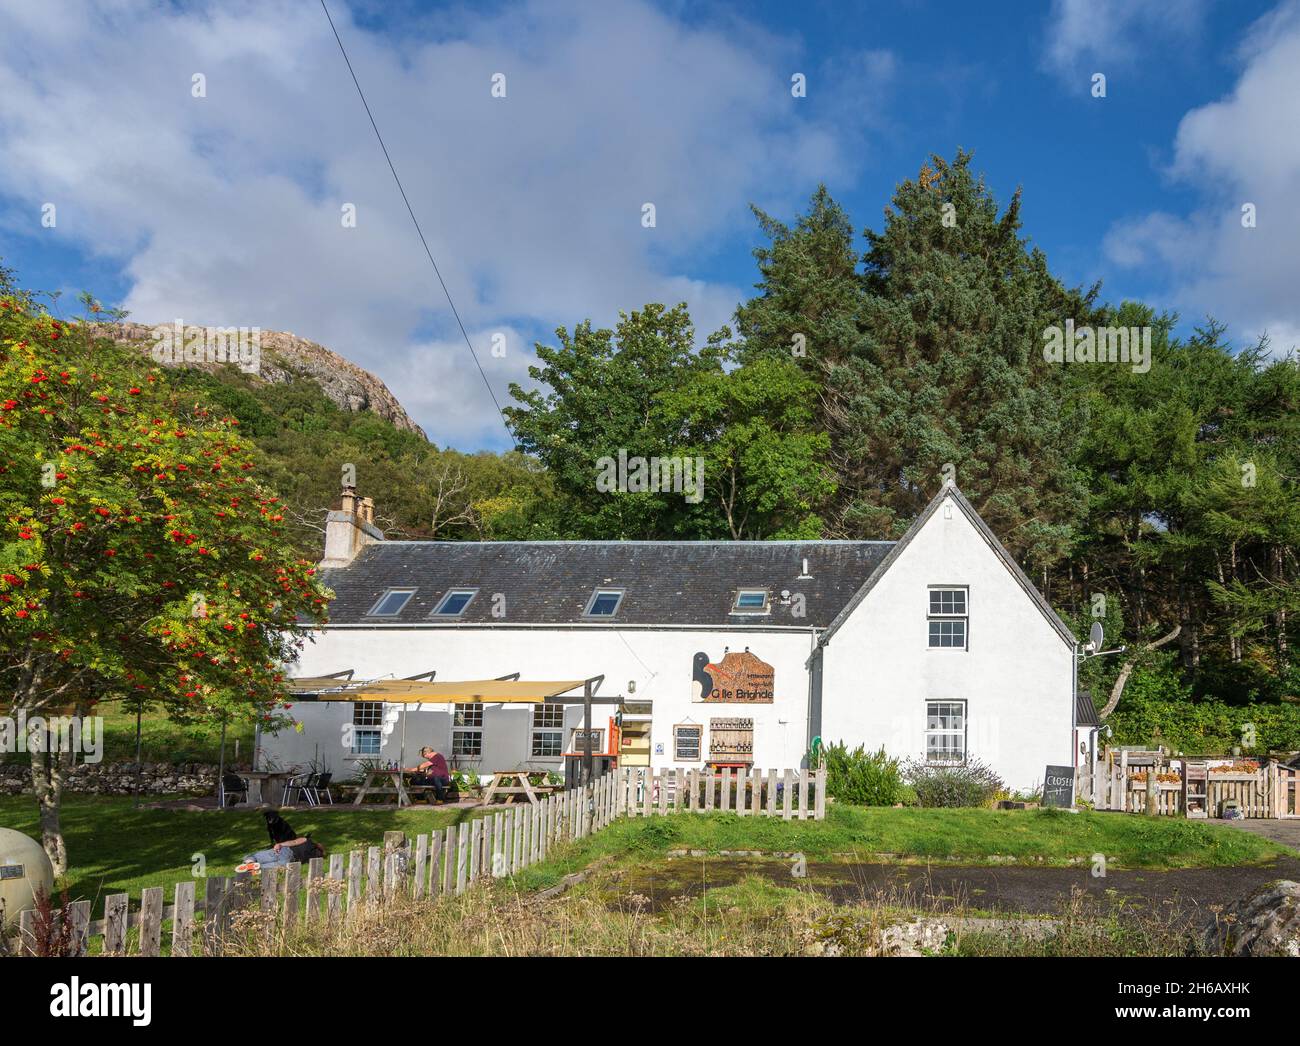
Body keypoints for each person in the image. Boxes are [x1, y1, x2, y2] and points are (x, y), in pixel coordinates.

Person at [236, 835, 324, 873]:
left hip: (285, 851)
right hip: (290, 862)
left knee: (254, 855)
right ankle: (257, 869)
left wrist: (280, 844)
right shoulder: (316, 857)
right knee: (269, 867)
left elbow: (294, 842)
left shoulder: (307, 840)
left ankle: (249, 862)